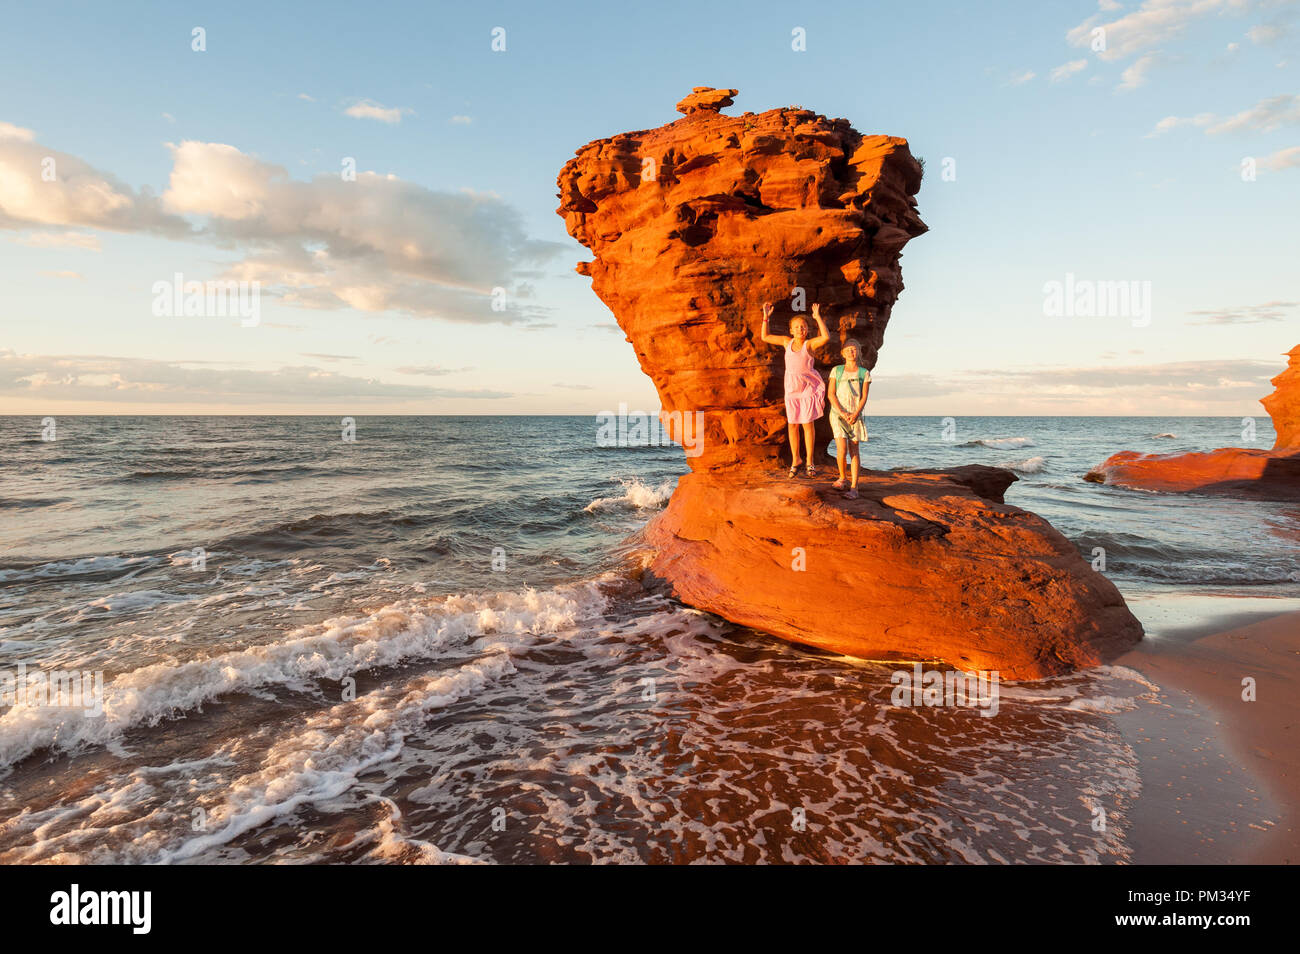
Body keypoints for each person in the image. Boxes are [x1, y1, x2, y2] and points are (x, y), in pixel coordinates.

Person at [760, 301, 829, 477]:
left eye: (804, 327)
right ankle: (795, 459)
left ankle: (810, 461)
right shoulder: (786, 342)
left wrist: (817, 317)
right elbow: (765, 337)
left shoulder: (810, 345)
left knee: (807, 424)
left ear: (807, 330)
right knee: (792, 425)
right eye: (797, 327)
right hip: (791, 390)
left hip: (807, 389)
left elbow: (826, 337)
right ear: (791, 330)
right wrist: (765, 318)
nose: (800, 329)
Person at [827, 338, 871, 498]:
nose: (851, 352)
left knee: (854, 450)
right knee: (841, 448)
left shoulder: (864, 373)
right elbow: (831, 394)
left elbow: (864, 396)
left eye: (854, 349)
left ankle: (854, 487)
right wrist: (842, 412)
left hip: (855, 415)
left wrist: (855, 413)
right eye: (848, 350)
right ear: (842, 353)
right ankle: (842, 478)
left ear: (859, 352)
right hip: (838, 415)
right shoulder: (836, 370)